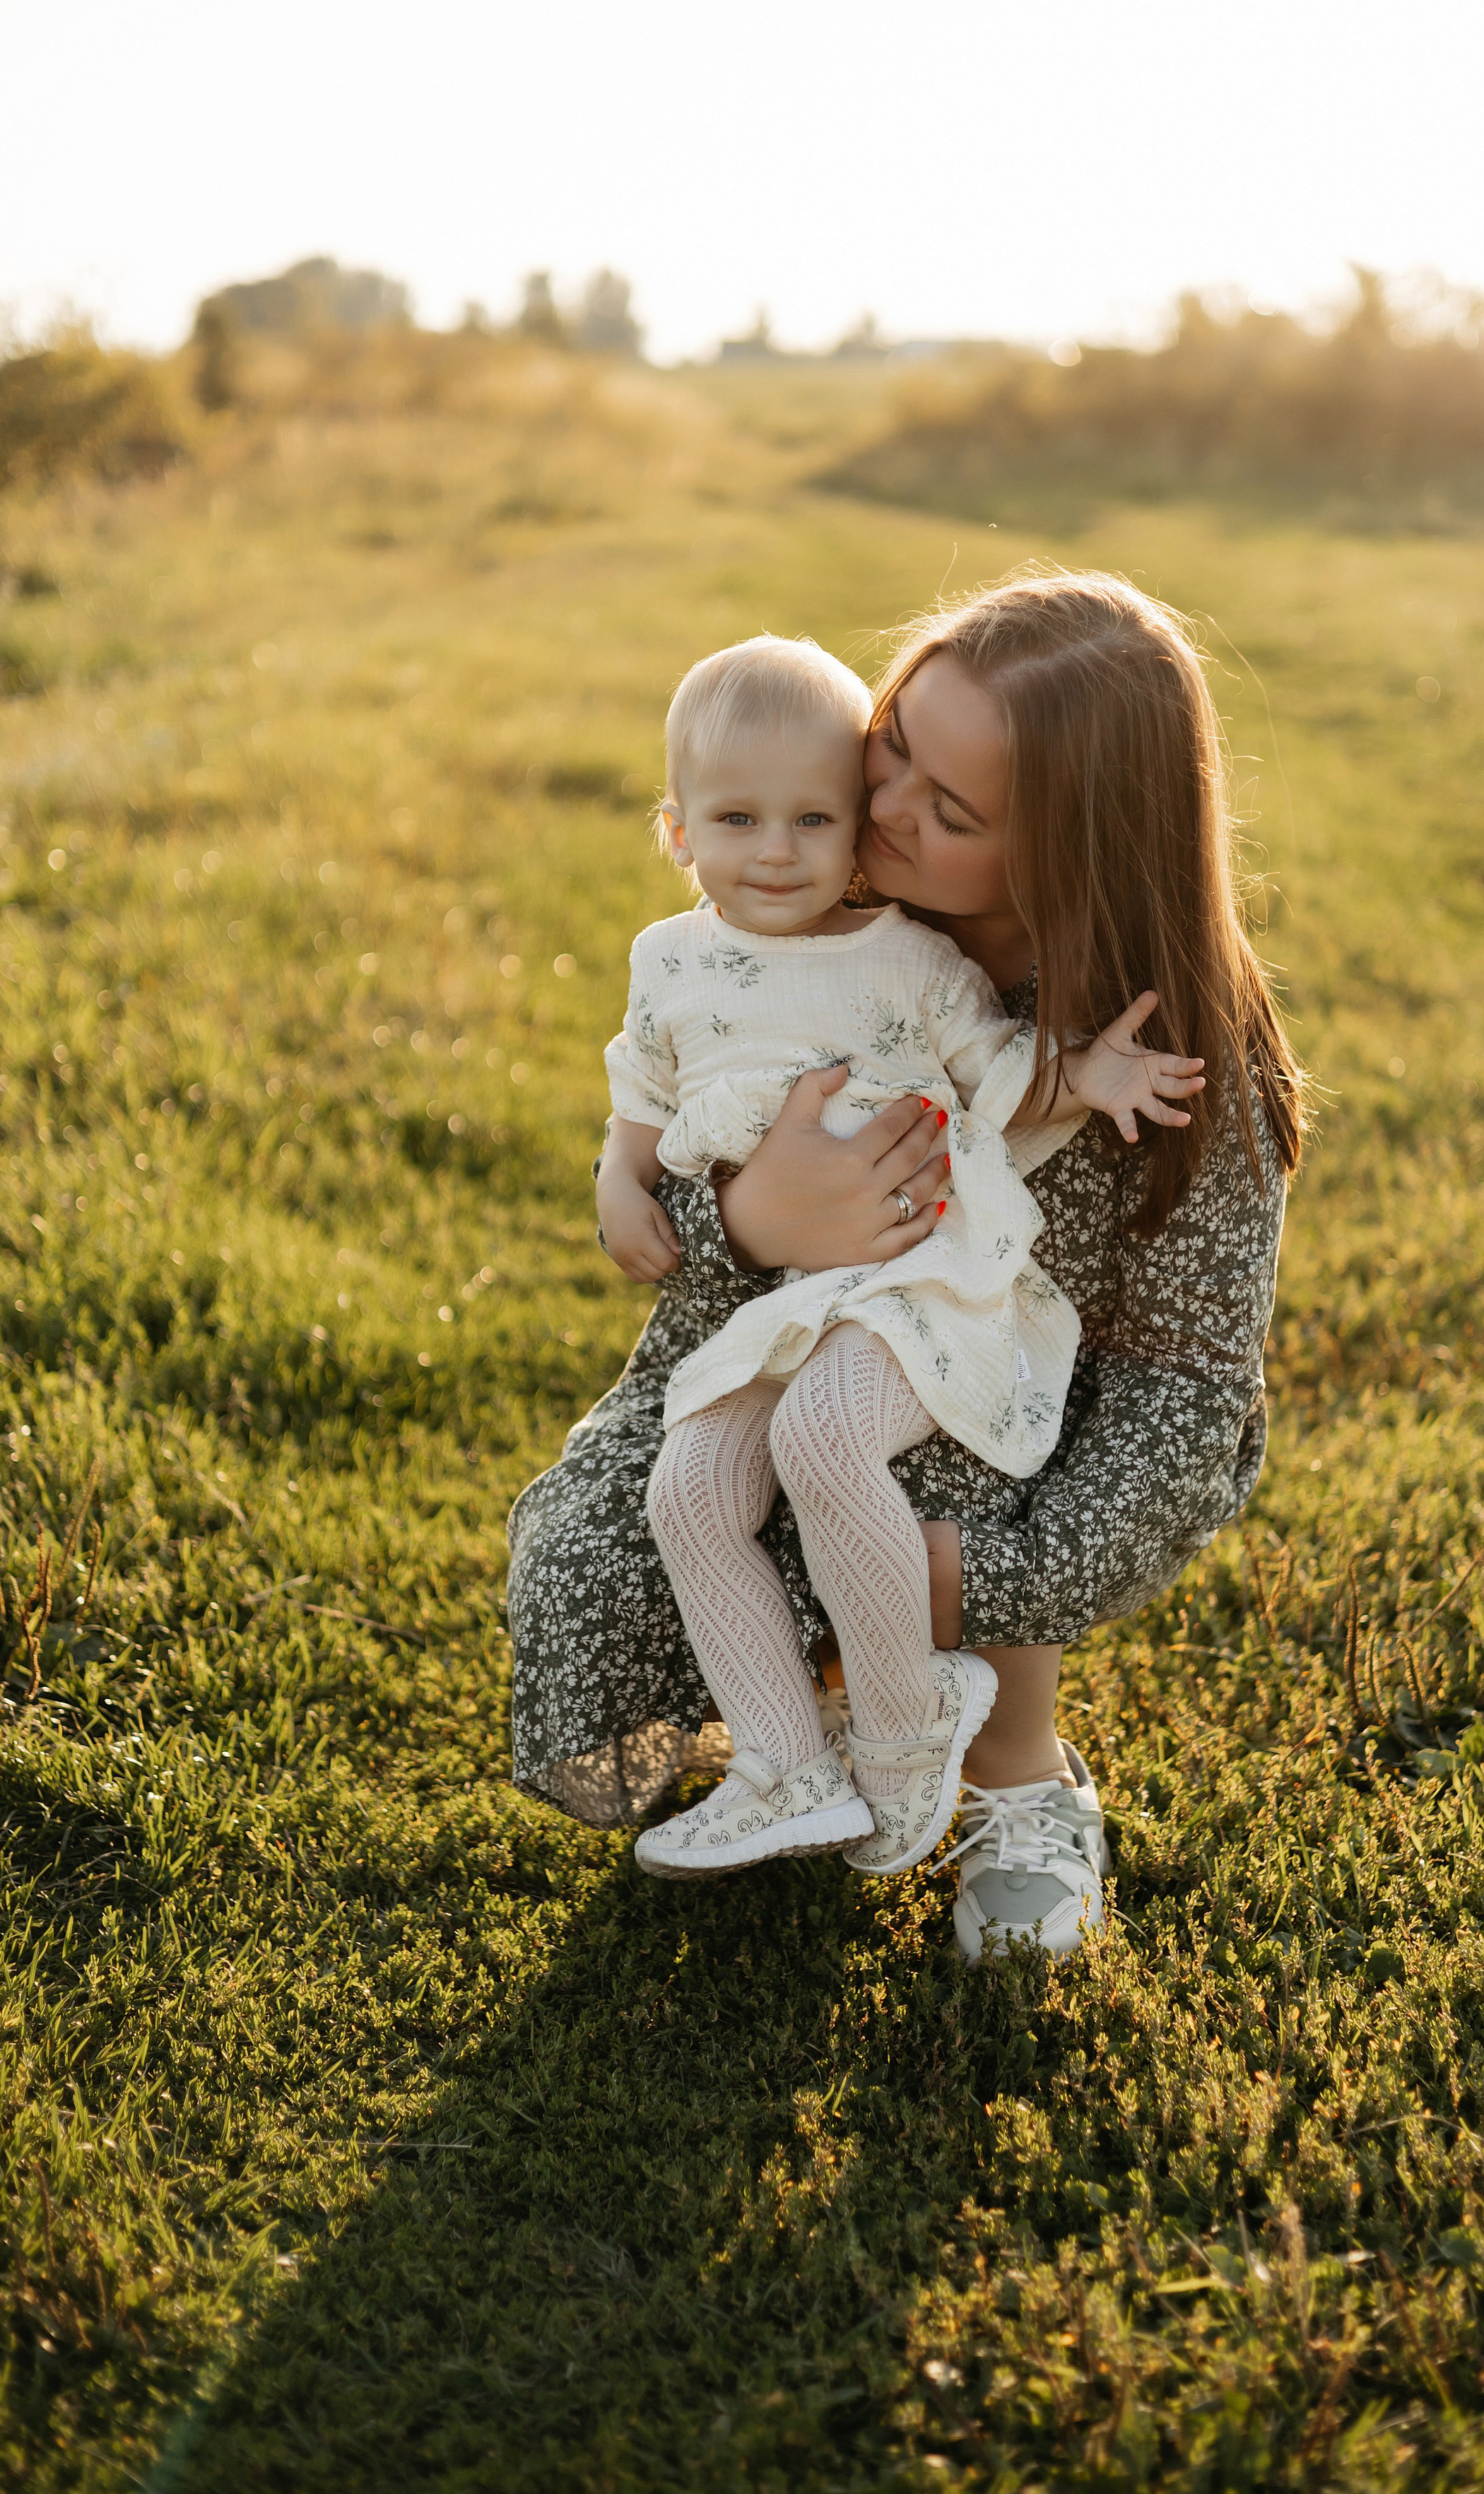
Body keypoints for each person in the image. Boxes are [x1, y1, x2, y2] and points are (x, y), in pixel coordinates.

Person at [508, 570, 1305, 1959]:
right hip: (786, 1339)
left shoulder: (1183, 1069)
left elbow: (1178, 1416)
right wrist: (746, 1220)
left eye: (948, 811)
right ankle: (787, 1746)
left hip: (995, 1426)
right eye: (892, 751)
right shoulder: (819, 920)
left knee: (896, 1455)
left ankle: (1012, 1767)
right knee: (601, 1543)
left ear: (1071, 857)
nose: (875, 812)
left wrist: (965, 1577)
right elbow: (681, 1173)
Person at [591, 637, 1201, 1885]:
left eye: (813, 817)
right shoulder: (669, 959)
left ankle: (912, 1727)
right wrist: (623, 1181)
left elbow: (996, 1069)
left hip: (922, 1278)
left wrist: (1090, 1072)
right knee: (686, 1493)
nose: (780, 849)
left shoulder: (905, 957)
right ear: (677, 832)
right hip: (784, 1300)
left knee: (824, 1437)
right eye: (739, 821)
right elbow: (642, 1100)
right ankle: (783, 1767)